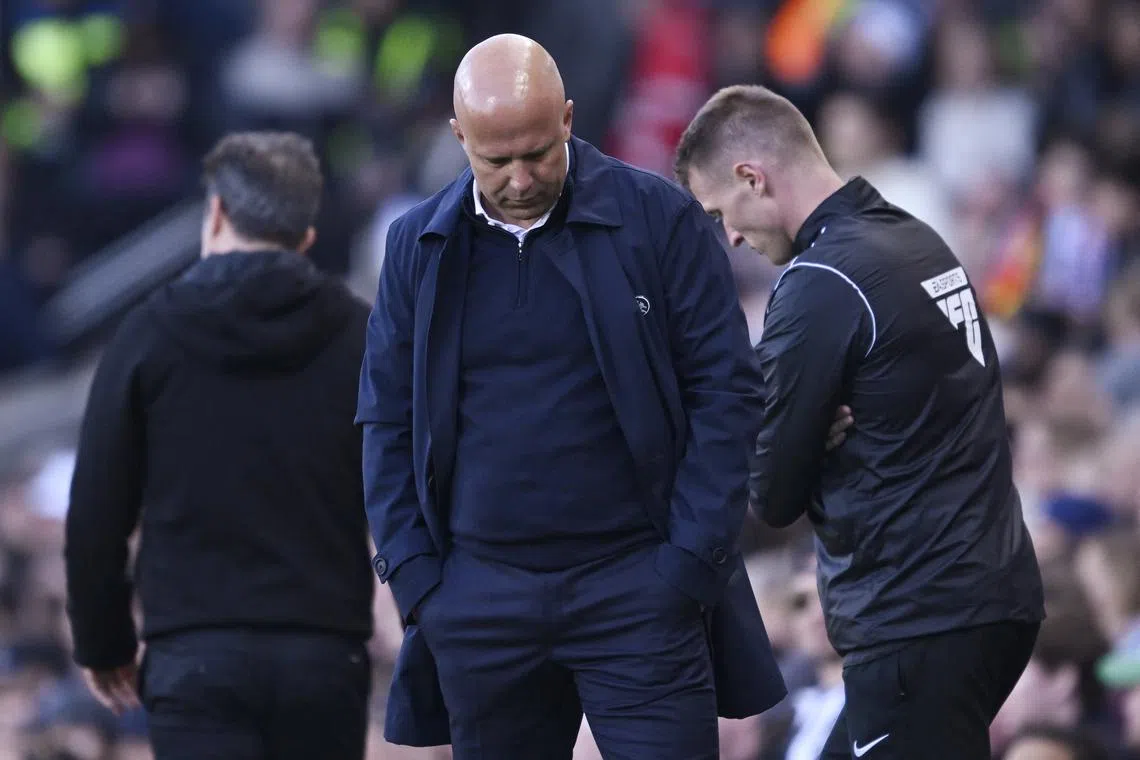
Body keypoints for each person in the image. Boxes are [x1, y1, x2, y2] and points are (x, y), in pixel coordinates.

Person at [356, 34, 814, 760]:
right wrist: (418, 580)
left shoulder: (657, 219)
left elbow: (726, 391)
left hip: (639, 588)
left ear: (568, 119)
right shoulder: (417, 245)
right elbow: (383, 417)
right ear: (458, 138)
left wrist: (687, 564)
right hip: (480, 599)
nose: (517, 178)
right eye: (494, 159)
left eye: (536, 152)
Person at [674, 84, 1046, 760]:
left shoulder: (821, 283)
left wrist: (800, 436)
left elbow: (771, 490)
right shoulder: (914, 238)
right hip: (990, 593)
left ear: (751, 177)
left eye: (719, 211)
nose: (728, 235)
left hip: (914, 617)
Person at [64, 131, 375, 760]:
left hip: (195, 660)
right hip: (324, 656)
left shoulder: (148, 333)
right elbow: (405, 491)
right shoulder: (361, 336)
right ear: (305, 235)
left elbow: (96, 511)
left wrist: (105, 645)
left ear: (216, 213)